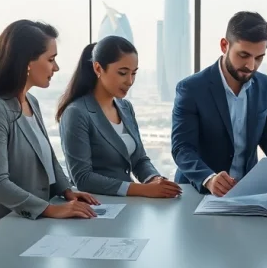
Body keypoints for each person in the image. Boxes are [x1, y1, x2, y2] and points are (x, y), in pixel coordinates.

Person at [0, 20, 100, 242]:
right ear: (26, 62)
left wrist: (66, 190)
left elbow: (48, 157)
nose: (56, 68)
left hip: (27, 223)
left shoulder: (30, 101)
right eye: (51, 59)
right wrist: (51, 209)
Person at [171, 11, 267, 196]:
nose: (251, 65)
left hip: (246, 193)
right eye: (244, 55)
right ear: (224, 45)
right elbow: (182, 148)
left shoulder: (265, 86)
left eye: (258, 58)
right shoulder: (191, 88)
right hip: (198, 193)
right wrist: (209, 179)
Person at [57, 36, 182, 198]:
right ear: (98, 69)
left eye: (134, 73)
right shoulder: (77, 112)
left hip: (127, 206)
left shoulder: (125, 107)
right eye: (122, 73)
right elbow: (82, 178)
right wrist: (143, 190)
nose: (130, 81)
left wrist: (155, 179)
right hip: (96, 207)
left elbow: (139, 160)